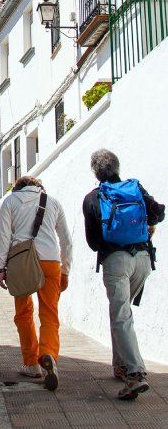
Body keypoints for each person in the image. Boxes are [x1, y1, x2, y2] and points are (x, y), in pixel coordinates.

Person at [83, 149, 165, 401]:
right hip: (142, 259)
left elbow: (94, 242)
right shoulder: (136, 188)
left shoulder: (93, 198)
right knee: (122, 313)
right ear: (117, 167)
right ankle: (120, 366)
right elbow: (159, 212)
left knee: (121, 314)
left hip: (116, 261)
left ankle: (135, 373)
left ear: (96, 173)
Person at [0, 175, 72, 391]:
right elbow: (66, 240)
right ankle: (48, 353)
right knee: (49, 314)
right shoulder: (53, 202)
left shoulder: (9, 202)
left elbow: (3, 236)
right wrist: (65, 270)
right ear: (38, 188)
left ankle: (31, 363)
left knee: (23, 312)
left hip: (22, 261)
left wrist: (1, 267)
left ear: (18, 188)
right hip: (50, 261)